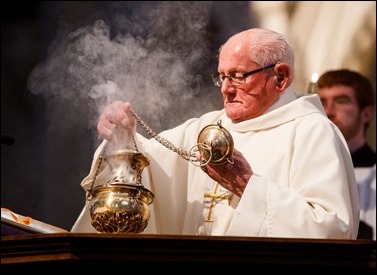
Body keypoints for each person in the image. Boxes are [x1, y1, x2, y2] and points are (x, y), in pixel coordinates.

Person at [71, 28, 359, 239]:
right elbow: (151, 167)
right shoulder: (204, 129)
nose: (225, 88)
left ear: (280, 77)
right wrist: (122, 135)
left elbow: (331, 230)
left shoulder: (313, 132)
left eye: (238, 76)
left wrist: (248, 187)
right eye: (222, 76)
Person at [317, 69, 376, 240]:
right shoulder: (308, 169)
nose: (328, 111)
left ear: (366, 114)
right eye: (322, 102)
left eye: (341, 101)